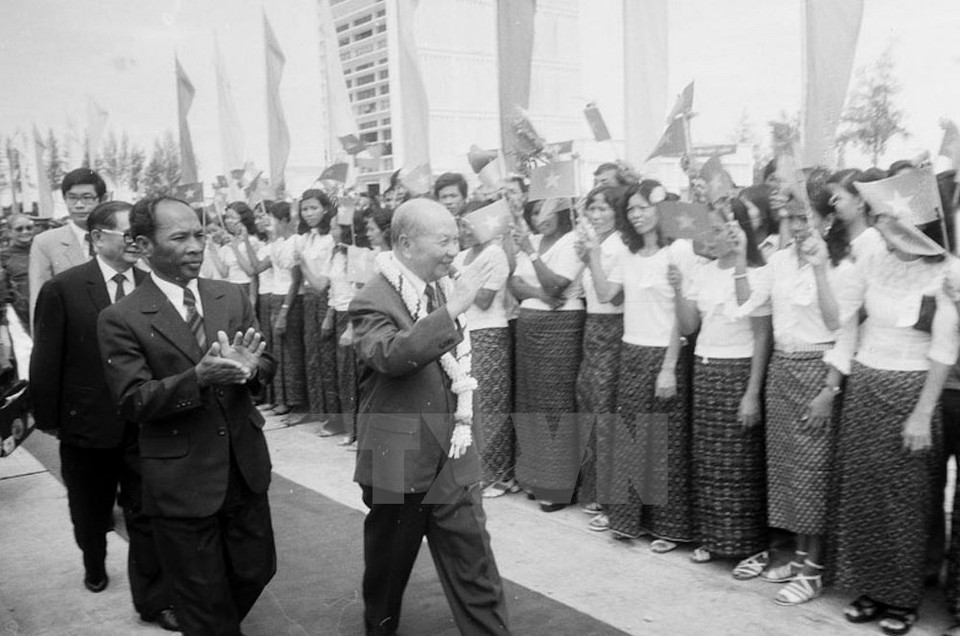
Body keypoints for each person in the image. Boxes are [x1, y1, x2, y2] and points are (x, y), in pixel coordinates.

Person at [97, 196, 276, 636]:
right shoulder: (121, 317)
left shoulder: (230, 295)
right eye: (180, 237)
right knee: (204, 602)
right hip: (181, 483)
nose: (195, 246)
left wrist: (252, 369)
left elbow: (264, 361)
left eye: (199, 234)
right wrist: (197, 378)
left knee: (257, 570)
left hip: (243, 468)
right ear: (142, 246)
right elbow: (132, 400)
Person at [349, 198, 510, 635]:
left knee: (475, 569)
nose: (453, 251)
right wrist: (455, 308)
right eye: (444, 241)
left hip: (451, 456)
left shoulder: (438, 287)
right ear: (405, 243)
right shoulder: (372, 298)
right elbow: (391, 355)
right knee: (387, 574)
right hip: (397, 461)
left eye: (457, 240)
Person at [30, 201, 177, 630]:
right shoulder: (65, 288)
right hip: (87, 425)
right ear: (97, 237)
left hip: (144, 422)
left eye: (141, 234)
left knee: (146, 511)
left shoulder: (154, 285)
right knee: (90, 511)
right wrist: (49, 417)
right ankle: (93, 560)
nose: (137, 242)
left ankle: (152, 601)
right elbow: (46, 358)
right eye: (128, 234)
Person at [827, 188, 959, 636]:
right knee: (862, 493)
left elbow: (944, 350)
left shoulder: (946, 272)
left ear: (912, 224)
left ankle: (902, 597)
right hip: (865, 384)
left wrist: (922, 414)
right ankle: (868, 587)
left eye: (887, 220)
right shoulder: (871, 262)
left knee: (905, 500)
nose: (881, 228)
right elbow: (845, 325)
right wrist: (837, 380)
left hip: (911, 390)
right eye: (879, 220)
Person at [737, 197, 846, 605]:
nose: (797, 225)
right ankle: (800, 560)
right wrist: (738, 253)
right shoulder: (780, 260)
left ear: (827, 220)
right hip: (783, 368)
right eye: (791, 218)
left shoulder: (839, 262)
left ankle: (815, 570)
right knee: (788, 472)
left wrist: (829, 388)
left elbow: (840, 326)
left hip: (818, 369)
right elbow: (749, 300)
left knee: (813, 474)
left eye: (806, 218)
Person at [587, 180, 698, 548]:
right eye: (630, 210)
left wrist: (668, 366)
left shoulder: (679, 250)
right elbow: (606, 295)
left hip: (665, 354)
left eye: (643, 207)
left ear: (660, 209)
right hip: (630, 350)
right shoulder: (627, 252)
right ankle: (628, 520)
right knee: (630, 439)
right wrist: (590, 256)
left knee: (664, 443)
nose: (636, 215)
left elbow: (683, 321)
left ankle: (668, 528)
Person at [671, 206, 772, 570]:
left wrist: (751, 392)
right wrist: (679, 288)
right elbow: (687, 326)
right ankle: (715, 539)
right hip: (705, 368)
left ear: (737, 232)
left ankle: (751, 547)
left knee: (741, 465)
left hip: (739, 371)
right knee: (709, 463)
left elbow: (762, 337)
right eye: (709, 232)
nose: (712, 239)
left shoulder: (758, 273)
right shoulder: (701, 272)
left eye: (719, 230)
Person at [509, 198, 586, 512]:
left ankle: (558, 487)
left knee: (556, 403)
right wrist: (538, 292)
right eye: (537, 210)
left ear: (563, 211)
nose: (542, 217)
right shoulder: (536, 240)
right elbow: (514, 284)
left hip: (560, 327)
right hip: (530, 325)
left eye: (549, 210)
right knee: (532, 403)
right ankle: (536, 477)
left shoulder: (572, 242)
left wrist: (530, 252)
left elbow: (557, 285)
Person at [571, 185, 628, 526]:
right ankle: (593, 489)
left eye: (604, 208)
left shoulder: (620, 246)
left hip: (615, 328)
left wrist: (591, 258)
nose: (597, 214)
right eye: (593, 208)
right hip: (591, 327)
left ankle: (611, 499)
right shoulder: (595, 244)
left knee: (607, 413)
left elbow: (612, 297)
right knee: (589, 406)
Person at [453, 202, 515, 498]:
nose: (463, 230)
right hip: (466, 333)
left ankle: (498, 475)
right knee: (473, 404)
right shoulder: (464, 256)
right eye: (461, 224)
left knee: (491, 404)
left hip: (490, 332)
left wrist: (459, 280)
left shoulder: (495, 253)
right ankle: (478, 469)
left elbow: (485, 299)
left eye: (468, 224)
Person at [28, 167, 104, 325]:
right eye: (72, 198)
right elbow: (39, 300)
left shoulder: (116, 237)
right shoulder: (45, 242)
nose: (79, 205)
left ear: (101, 199)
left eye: (87, 198)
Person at [297, 190, 340, 427]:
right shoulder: (307, 238)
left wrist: (302, 263)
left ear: (325, 209)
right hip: (309, 301)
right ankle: (317, 408)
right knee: (311, 355)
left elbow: (322, 283)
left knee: (326, 358)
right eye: (304, 209)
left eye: (313, 208)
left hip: (325, 299)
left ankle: (334, 416)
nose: (309, 213)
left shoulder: (330, 239)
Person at [1, 213, 34, 330]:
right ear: (9, 232)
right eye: (19, 229)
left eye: (29, 228)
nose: (25, 232)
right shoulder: (3, 256)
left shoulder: (41, 248)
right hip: (21, 312)